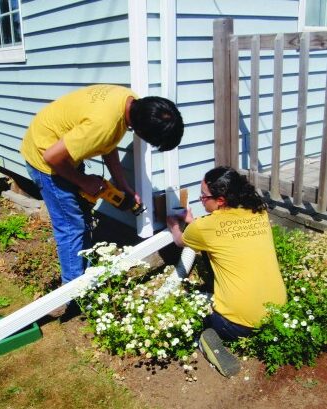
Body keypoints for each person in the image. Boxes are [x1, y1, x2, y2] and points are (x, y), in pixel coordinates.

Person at [21, 84, 184, 288]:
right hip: (45, 155)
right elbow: (52, 157)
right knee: (71, 227)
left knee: (81, 220)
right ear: (141, 131)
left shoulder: (130, 100)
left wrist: (122, 184)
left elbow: (108, 143)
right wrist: (83, 181)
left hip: (61, 146)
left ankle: (83, 273)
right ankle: (74, 293)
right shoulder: (102, 125)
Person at [166, 166, 286, 377]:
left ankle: (205, 339)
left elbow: (180, 241)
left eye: (203, 196)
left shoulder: (204, 227)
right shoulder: (258, 211)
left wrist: (173, 225)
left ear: (220, 201)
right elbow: (222, 233)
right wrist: (194, 223)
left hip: (237, 324)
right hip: (277, 312)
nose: (200, 199)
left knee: (189, 305)